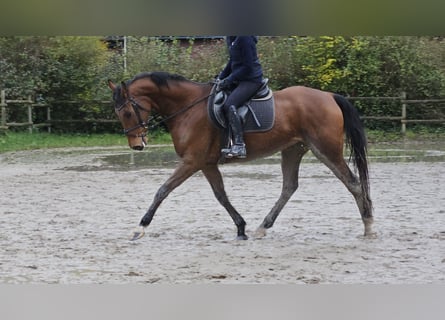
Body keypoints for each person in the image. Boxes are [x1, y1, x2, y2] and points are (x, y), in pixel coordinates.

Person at [216, 36, 264, 158]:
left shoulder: (245, 38)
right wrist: (221, 78)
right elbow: (232, 61)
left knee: (229, 105)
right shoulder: (231, 37)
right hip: (239, 79)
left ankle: (239, 145)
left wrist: (229, 79)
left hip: (251, 79)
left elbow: (248, 67)